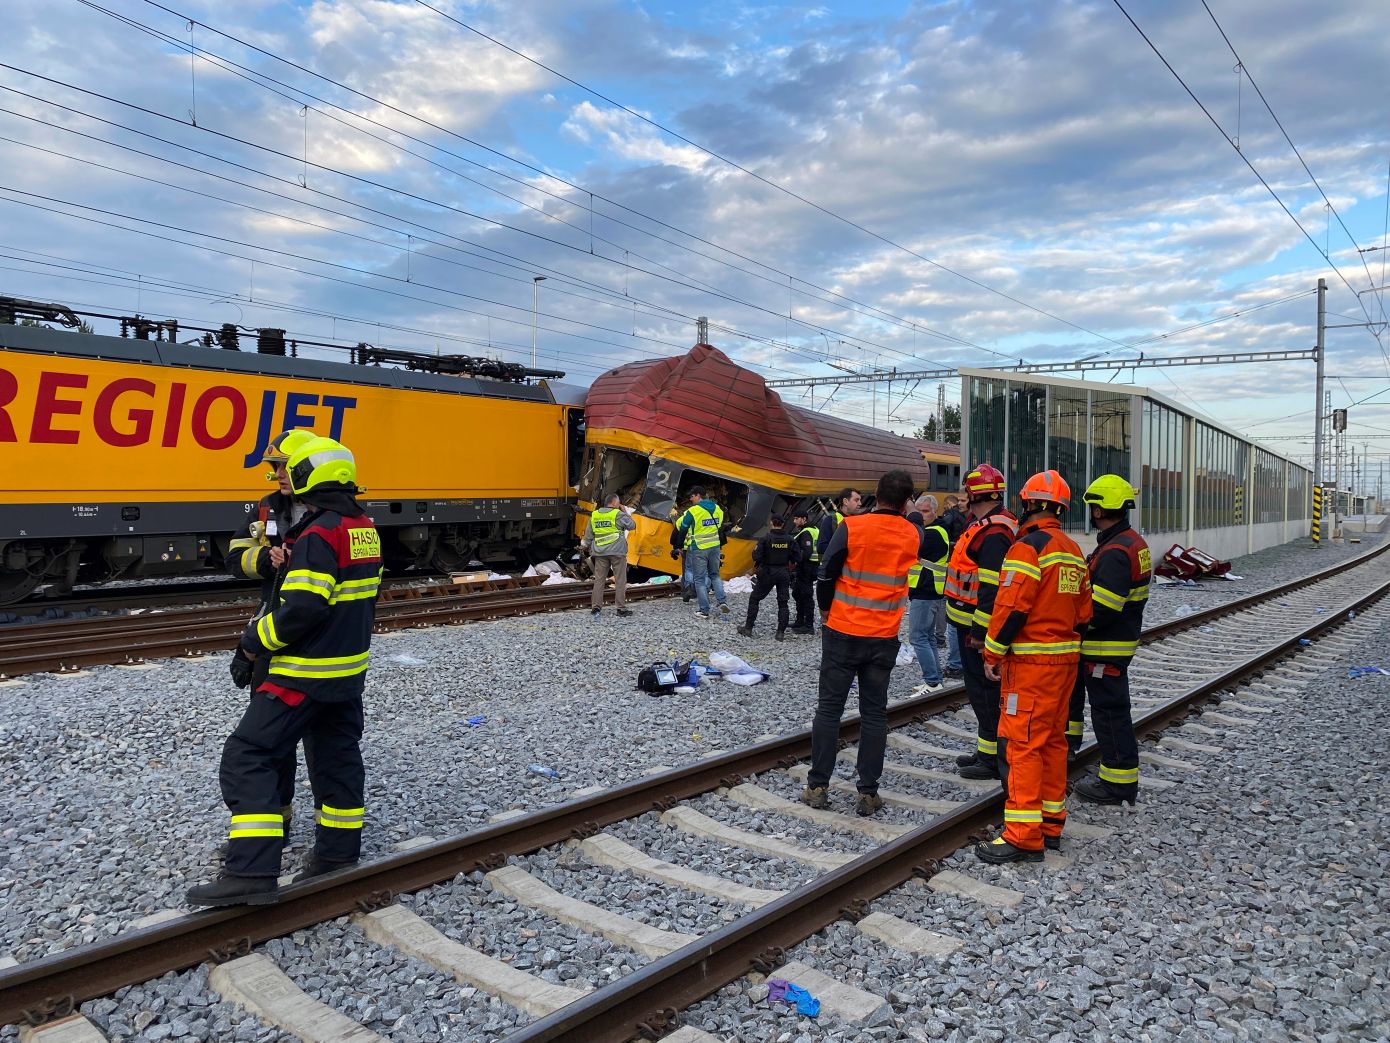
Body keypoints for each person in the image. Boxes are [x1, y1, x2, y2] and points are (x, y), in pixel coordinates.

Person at [188, 435, 382, 907]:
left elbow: (301, 611)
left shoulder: (318, 534)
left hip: (302, 672)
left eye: (288, 468)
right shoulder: (363, 526)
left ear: (307, 476)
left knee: (248, 754)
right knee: (336, 757)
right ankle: (337, 854)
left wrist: (252, 643)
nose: (281, 475)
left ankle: (251, 871)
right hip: (345, 673)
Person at [976, 469, 1091, 863]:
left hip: (1030, 665)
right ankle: (1049, 825)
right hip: (1064, 663)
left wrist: (992, 654)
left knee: (1022, 745)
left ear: (1030, 504)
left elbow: (1011, 608)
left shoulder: (1027, 548)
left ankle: (1023, 836)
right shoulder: (1072, 550)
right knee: (1054, 742)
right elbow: (1083, 614)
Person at [802, 470, 922, 817]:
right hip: (883, 636)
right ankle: (868, 792)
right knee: (874, 714)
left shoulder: (851, 527)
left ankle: (818, 786)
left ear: (875, 496)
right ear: (905, 502)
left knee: (829, 710)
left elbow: (827, 572)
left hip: (842, 630)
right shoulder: (913, 534)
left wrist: (825, 610)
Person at [221, 428, 315, 853]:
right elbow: (234, 556)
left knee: (318, 745)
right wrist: (264, 558)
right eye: (275, 467)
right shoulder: (267, 508)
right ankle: (279, 822)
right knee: (271, 743)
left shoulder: (329, 514)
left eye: (283, 466)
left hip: (308, 641)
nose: (277, 474)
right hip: (273, 629)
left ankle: (331, 839)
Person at [1069, 475, 1151, 806]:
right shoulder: (1130, 542)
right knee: (1111, 711)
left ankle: (1117, 784)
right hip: (1117, 643)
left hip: (1105, 648)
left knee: (1110, 714)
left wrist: (1070, 626)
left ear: (1100, 509)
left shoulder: (1115, 551)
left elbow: (1102, 608)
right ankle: (1115, 777)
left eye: (1092, 505)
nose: (1090, 511)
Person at [944, 464, 1019, 780]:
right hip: (969, 625)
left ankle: (992, 760)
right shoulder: (986, 525)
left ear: (974, 494)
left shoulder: (994, 533)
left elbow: (991, 590)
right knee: (979, 693)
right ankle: (985, 752)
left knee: (986, 694)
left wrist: (980, 633)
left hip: (978, 630)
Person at [905, 494, 949, 695]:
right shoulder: (935, 531)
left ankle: (932, 682)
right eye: (919, 511)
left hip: (926, 591)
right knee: (928, 637)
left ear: (934, 512)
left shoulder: (932, 533)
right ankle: (936, 680)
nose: (921, 516)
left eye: (925, 511)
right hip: (928, 591)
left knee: (918, 637)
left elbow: (909, 548)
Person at [738, 514, 799, 640]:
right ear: (783, 524)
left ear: (771, 523)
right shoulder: (790, 539)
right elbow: (797, 557)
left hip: (768, 572)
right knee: (783, 603)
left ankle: (748, 628)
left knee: (755, 599)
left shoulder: (765, 538)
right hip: (783, 572)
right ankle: (780, 633)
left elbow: (756, 556)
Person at [675, 486, 729, 619]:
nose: (690, 499)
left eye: (692, 496)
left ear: (698, 495)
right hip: (715, 547)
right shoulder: (717, 508)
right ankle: (722, 601)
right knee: (715, 575)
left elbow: (683, 528)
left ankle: (704, 610)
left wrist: (679, 545)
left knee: (699, 580)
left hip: (699, 548)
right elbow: (719, 525)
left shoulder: (693, 511)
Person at [583, 493, 636, 618]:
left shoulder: (595, 515)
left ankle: (596, 608)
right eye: (618, 503)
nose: (619, 505)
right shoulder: (618, 514)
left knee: (599, 580)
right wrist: (625, 512)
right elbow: (632, 525)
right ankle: (620, 609)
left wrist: (585, 546)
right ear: (614, 503)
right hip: (617, 552)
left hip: (600, 553)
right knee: (620, 580)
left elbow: (588, 537)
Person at [939, 492, 969, 679]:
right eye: (958, 501)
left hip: (961, 584)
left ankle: (955, 664)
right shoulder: (970, 520)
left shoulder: (954, 517)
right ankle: (958, 663)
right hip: (961, 582)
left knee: (954, 625)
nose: (960, 504)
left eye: (963, 500)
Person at [790, 509, 817, 635]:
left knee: (806, 595)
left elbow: (807, 552)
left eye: (797, 518)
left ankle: (808, 625)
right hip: (812, 567)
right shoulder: (814, 530)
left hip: (806, 568)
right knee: (797, 593)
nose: (794, 521)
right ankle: (800, 621)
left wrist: (795, 561)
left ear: (804, 519)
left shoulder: (806, 532)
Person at [816, 487, 862, 561]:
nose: (860, 503)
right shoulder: (830, 520)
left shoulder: (860, 521)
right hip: (838, 566)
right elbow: (821, 547)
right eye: (856, 500)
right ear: (845, 501)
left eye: (860, 500)